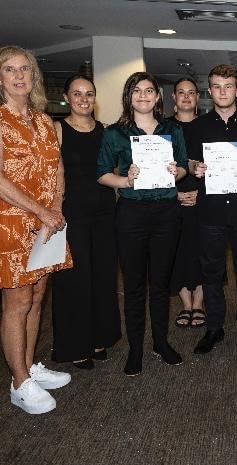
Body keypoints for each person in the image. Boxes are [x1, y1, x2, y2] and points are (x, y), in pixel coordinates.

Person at [97, 71, 188, 376]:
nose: (144, 96)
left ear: (157, 96)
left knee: (160, 285)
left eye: (149, 91)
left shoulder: (172, 129)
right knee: (134, 286)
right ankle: (135, 349)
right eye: (137, 91)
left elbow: (183, 169)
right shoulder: (114, 133)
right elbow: (102, 172)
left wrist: (174, 171)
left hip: (166, 213)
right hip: (132, 214)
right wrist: (126, 179)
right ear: (129, 96)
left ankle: (160, 343)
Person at [0, 45, 72, 414]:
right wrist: (42, 211)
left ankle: (28, 368)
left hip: (48, 223)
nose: (19, 76)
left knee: (38, 298)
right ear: (0, 77)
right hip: (12, 224)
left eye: (25, 69)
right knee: (18, 302)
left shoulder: (44, 120)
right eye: (10, 70)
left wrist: (55, 209)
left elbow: (57, 169)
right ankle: (18, 383)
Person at [187, 64, 237, 354]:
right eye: (217, 86)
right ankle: (214, 327)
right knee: (212, 273)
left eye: (228, 86)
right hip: (211, 212)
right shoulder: (198, 127)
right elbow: (190, 163)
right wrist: (196, 168)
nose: (223, 91)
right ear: (210, 91)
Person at [51, 74, 121, 370]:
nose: (83, 99)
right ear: (67, 97)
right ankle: (76, 345)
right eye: (77, 94)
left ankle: (98, 337)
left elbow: (113, 170)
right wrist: (54, 208)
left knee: (103, 277)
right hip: (72, 215)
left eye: (89, 94)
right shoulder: (58, 128)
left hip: (105, 212)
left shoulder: (105, 130)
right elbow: (55, 172)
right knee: (73, 280)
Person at [168, 77, 205, 328]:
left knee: (204, 251)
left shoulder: (208, 126)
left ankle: (200, 303)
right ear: (173, 97)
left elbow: (218, 167)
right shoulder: (162, 128)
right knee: (177, 251)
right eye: (181, 93)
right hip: (172, 199)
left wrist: (201, 193)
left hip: (205, 197)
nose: (186, 97)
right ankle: (186, 304)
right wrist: (175, 194)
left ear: (198, 97)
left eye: (191, 92)